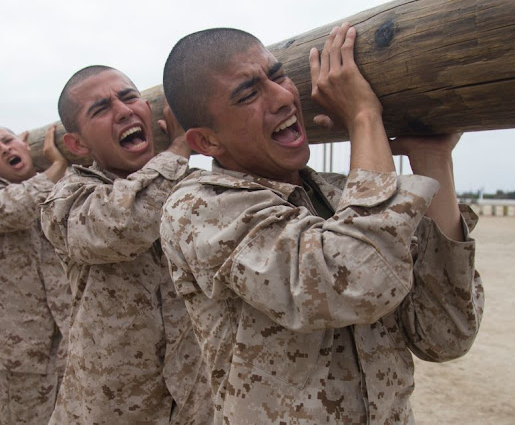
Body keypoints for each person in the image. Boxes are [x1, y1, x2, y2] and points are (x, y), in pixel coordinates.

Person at [160, 24, 484, 424]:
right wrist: (364, 117)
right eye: (248, 94)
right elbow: (359, 281)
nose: (283, 95)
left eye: (278, 75)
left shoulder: (341, 198)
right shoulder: (199, 207)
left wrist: (433, 159)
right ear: (207, 142)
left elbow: (446, 335)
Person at [40, 65, 212, 424]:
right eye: (101, 109)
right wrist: (181, 145)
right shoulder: (65, 201)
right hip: (110, 408)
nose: (123, 110)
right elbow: (124, 224)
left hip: (195, 401)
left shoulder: (192, 185)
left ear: (148, 111)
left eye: (130, 97)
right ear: (77, 144)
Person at [0, 126, 72, 424]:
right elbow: (12, 211)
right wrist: (55, 166)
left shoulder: (66, 183)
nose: (4, 149)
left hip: (72, 342)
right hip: (20, 354)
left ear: (25, 145)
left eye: (8, 141)